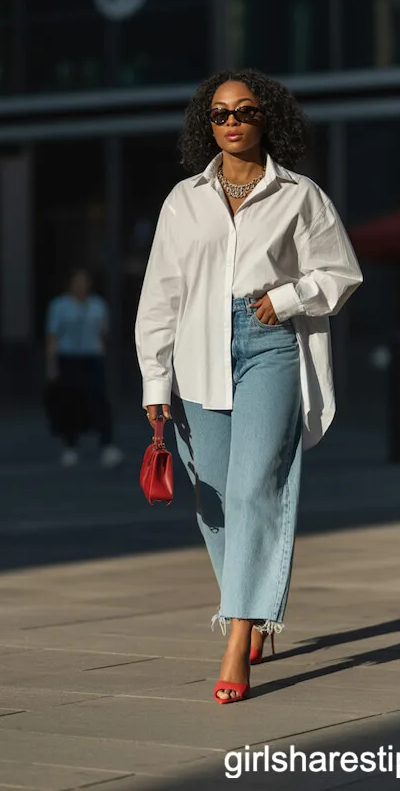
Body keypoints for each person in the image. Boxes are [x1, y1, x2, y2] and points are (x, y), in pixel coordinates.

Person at [134, 69, 363, 704]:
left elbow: (341, 274)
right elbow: (160, 295)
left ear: (269, 118)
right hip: (196, 352)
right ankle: (253, 607)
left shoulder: (301, 195)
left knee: (254, 485)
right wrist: (156, 380)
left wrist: (288, 297)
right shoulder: (184, 200)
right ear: (206, 125)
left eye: (244, 110)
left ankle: (238, 634)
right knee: (213, 497)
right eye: (218, 114)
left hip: (270, 347)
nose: (230, 122)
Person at [45, 268, 124, 468]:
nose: (81, 287)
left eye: (84, 282)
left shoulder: (98, 305)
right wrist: (51, 365)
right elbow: (53, 336)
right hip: (69, 357)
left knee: (99, 399)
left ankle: (107, 445)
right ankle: (70, 446)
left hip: (92, 357)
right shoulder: (60, 306)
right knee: (69, 403)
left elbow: (104, 331)